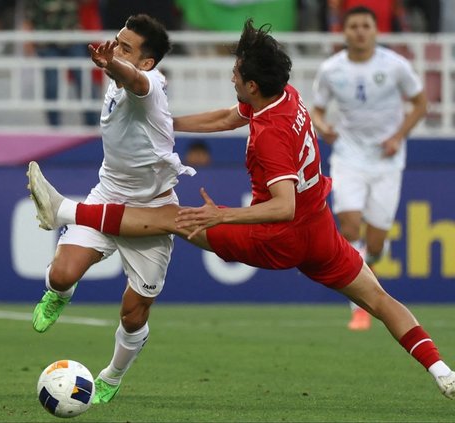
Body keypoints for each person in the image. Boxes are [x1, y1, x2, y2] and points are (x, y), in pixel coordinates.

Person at [27, 18, 455, 401]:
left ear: (252, 84)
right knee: (379, 299)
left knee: (179, 219)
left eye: (235, 74)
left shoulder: (269, 134)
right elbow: (227, 119)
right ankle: (442, 371)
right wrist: (164, 124)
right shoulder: (283, 95)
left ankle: (66, 210)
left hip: (275, 237)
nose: (231, 78)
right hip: (320, 230)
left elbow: (282, 207)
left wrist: (222, 216)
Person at [29, 14, 195, 404]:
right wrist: (114, 65)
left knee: (133, 314)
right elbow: (124, 78)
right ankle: (58, 294)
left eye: (126, 48)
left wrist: (113, 64)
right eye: (116, 42)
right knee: (61, 273)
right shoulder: (118, 81)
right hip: (107, 196)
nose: (116, 50)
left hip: (152, 212)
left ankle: (112, 375)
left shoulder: (148, 84)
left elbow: (134, 80)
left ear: (147, 62)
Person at [311, 6, 427, 331]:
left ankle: (371, 261)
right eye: (354, 26)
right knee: (349, 227)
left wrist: (398, 136)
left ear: (376, 30)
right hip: (348, 155)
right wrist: (324, 127)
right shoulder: (332, 69)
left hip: (387, 159)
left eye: (365, 26)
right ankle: (358, 307)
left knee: (375, 243)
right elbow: (317, 110)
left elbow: (420, 104)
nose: (360, 31)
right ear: (344, 31)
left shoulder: (395, 66)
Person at [23, 0, 100, 126]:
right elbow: (28, 15)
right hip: (47, 41)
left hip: (72, 37)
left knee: (84, 80)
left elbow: (87, 3)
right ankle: (54, 126)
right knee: (52, 85)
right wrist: (28, 40)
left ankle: (92, 124)